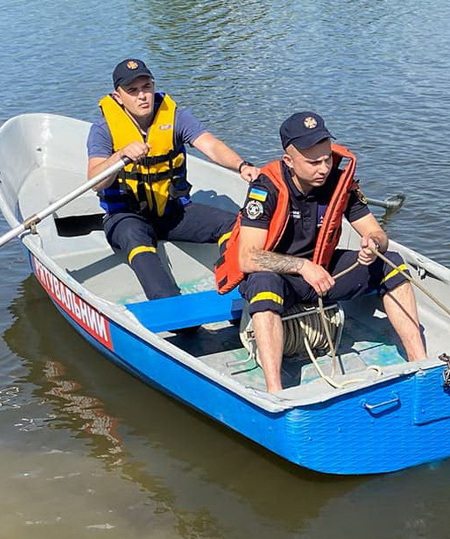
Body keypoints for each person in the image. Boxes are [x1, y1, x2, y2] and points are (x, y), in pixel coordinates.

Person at [215, 111, 427, 393]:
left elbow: (378, 234)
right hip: (282, 279)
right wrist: (302, 267)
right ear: (289, 162)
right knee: (263, 282)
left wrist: (373, 245)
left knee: (393, 264)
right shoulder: (266, 189)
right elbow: (248, 257)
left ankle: (420, 365)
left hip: (324, 272)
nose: (324, 168)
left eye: (327, 158)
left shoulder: (339, 183)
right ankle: (275, 391)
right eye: (313, 162)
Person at [86, 58, 261, 302]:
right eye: (132, 91)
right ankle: (171, 306)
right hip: (126, 216)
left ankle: (241, 289)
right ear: (118, 96)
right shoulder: (104, 129)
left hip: (173, 212)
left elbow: (210, 146)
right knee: (136, 239)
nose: (142, 96)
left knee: (234, 225)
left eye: (146, 87)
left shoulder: (176, 117)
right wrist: (120, 155)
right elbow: (95, 180)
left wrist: (243, 166)